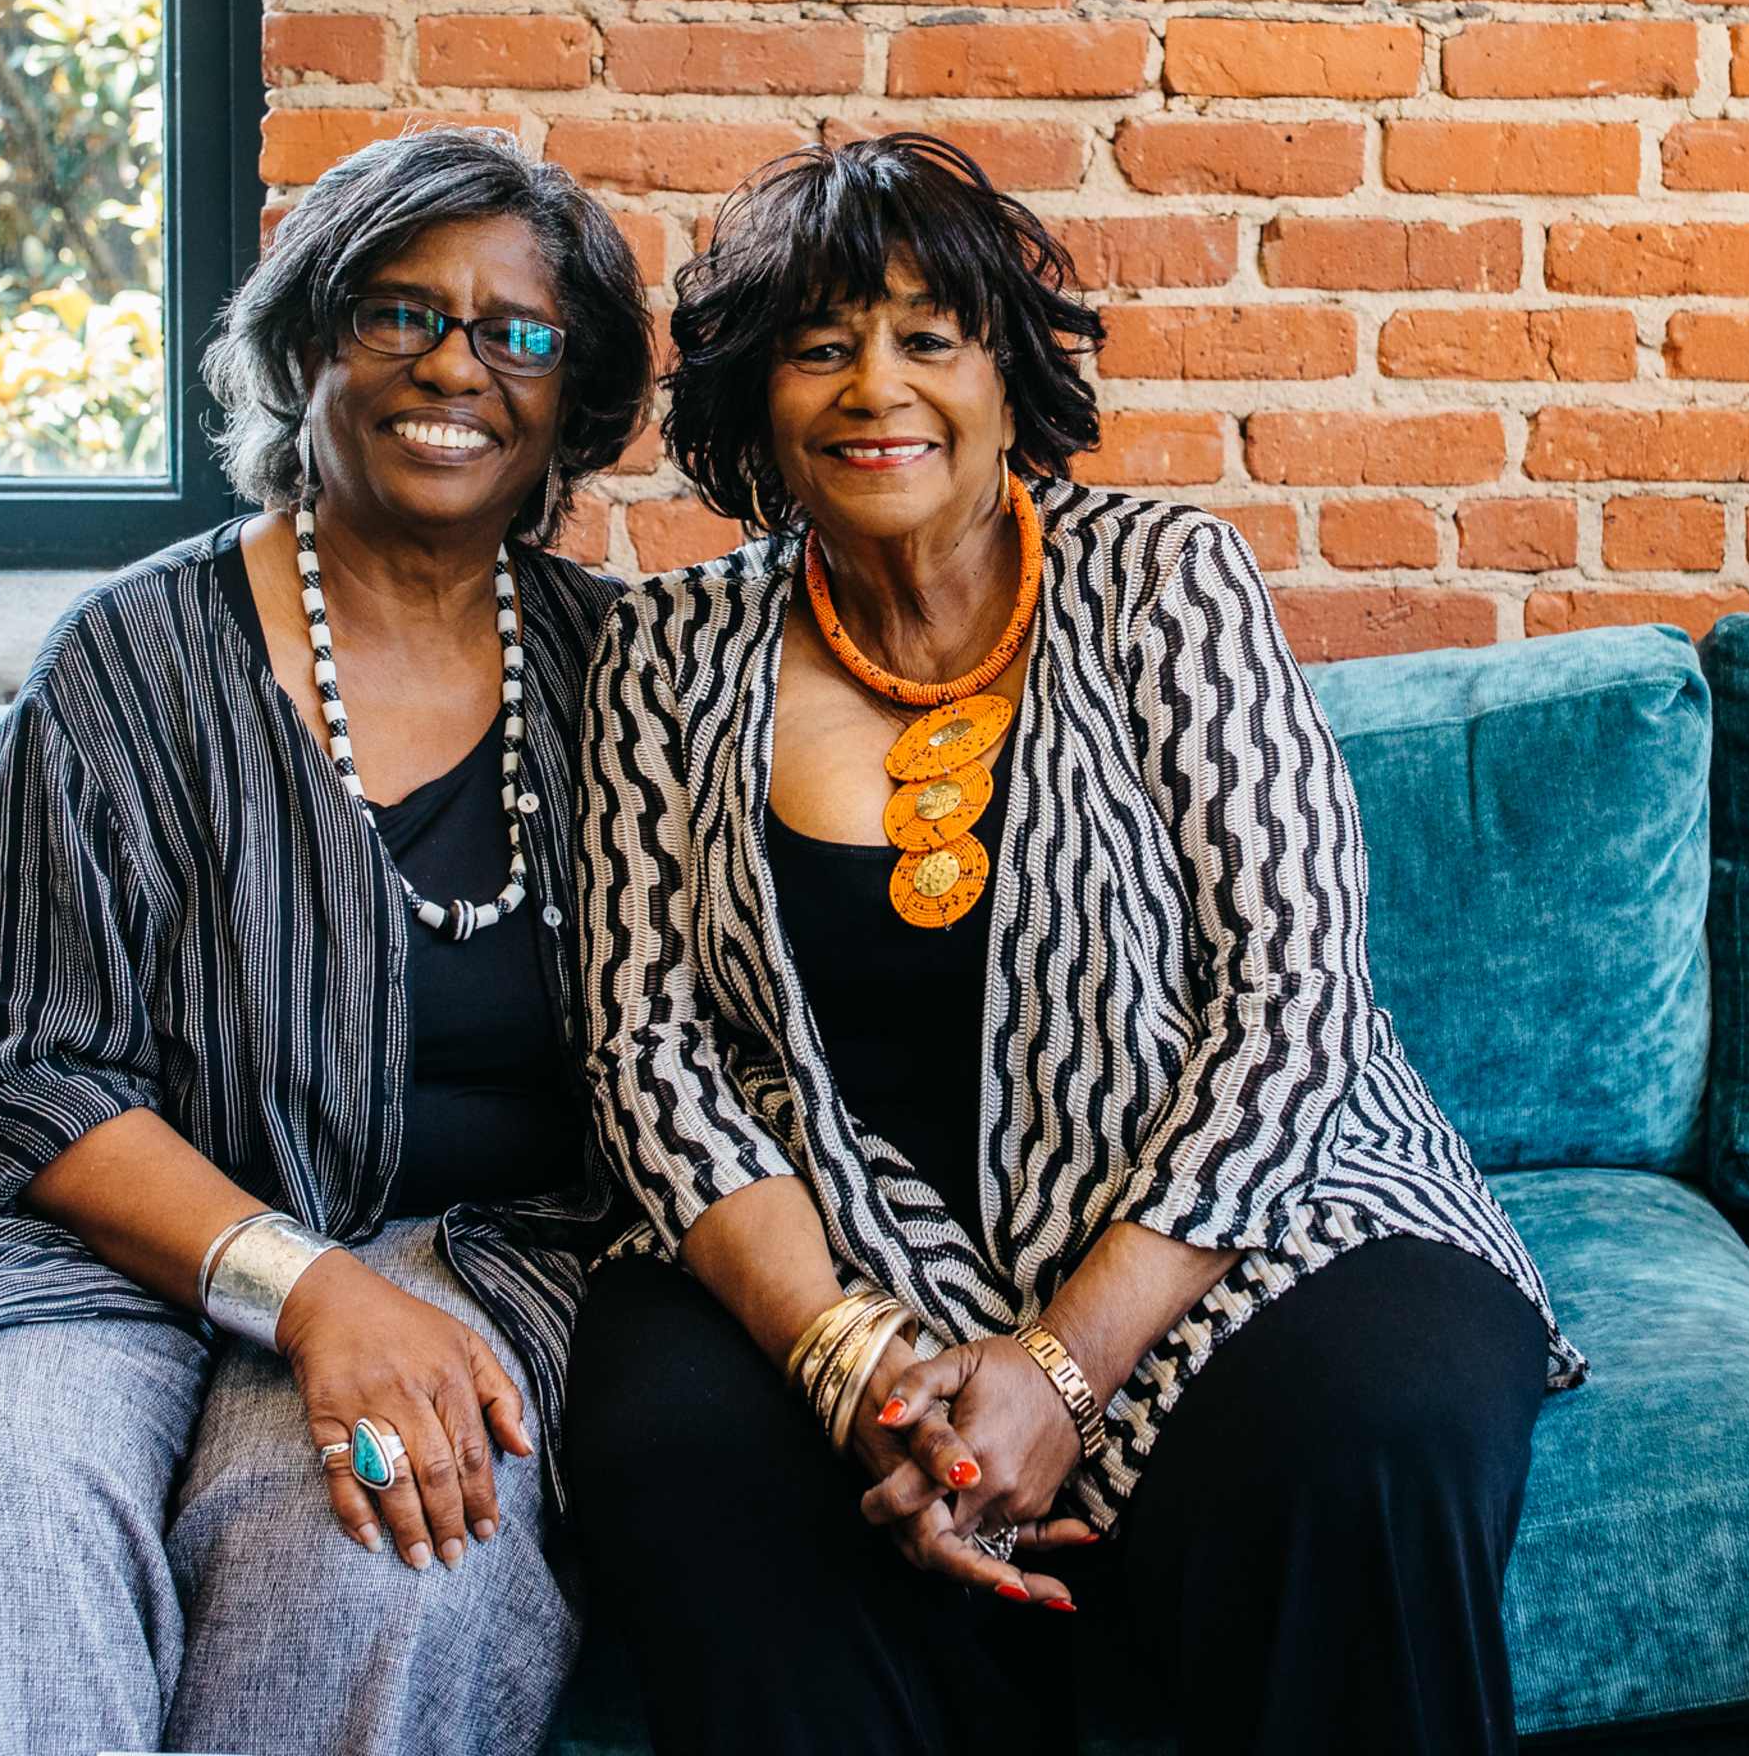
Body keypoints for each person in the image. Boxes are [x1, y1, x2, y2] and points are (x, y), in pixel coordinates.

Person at [561, 132, 1582, 1756]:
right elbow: (645, 1046)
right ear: (757, 398)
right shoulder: (667, 655)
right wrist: (853, 1364)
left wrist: (1054, 1369)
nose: (871, 388)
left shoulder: (1162, 582)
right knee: (663, 1442)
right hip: (833, 1239)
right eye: (819, 348)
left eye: (924, 338)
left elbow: (1293, 996)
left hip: (1238, 1214)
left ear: (1004, 372)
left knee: (1376, 1426)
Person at [0, 127, 651, 1756]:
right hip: (79, 1256)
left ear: (568, 404)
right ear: (309, 343)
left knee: (378, 1532)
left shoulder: (627, 684)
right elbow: (30, 1083)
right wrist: (306, 1288)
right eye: (399, 314)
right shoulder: (127, 658)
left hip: (464, 1251)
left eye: (516, 333)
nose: (454, 365)